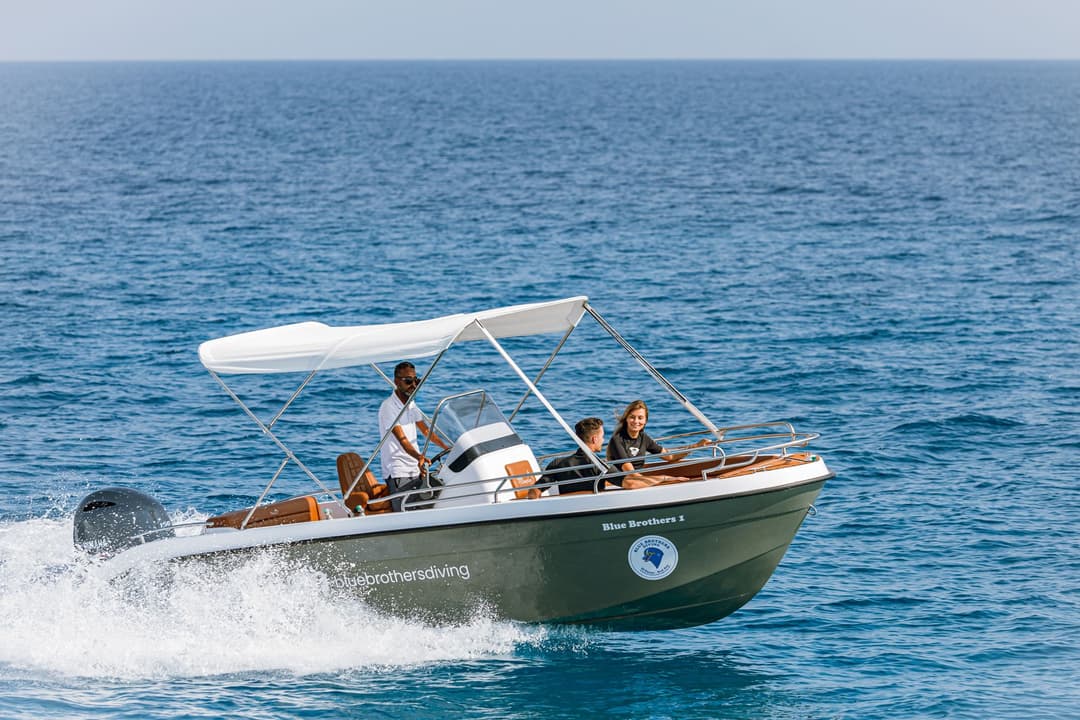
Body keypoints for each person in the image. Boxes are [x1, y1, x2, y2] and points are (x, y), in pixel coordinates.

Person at [377, 361, 449, 511]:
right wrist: (419, 457)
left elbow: (427, 432)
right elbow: (403, 441)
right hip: (399, 471)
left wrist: (449, 447)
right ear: (397, 381)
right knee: (407, 513)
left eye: (416, 380)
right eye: (408, 381)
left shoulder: (411, 404)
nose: (413, 385)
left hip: (415, 469)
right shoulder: (389, 407)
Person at [543, 417, 677, 493]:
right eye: (602, 436)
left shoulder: (557, 463)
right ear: (594, 439)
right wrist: (664, 478)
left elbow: (533, 493)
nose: (603, 440)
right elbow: (630, 484)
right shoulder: (599, 466)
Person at [606, 399, 711, 474]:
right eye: (632, 417)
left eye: (640, 418)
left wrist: (696, 446)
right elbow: (630, 472)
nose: (636, 421)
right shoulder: (617, 440)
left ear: (645, 421)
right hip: (624, 483)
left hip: (636, 480)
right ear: (626, 419)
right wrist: (664, 479)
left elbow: (670, 456)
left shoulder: (644, 438)